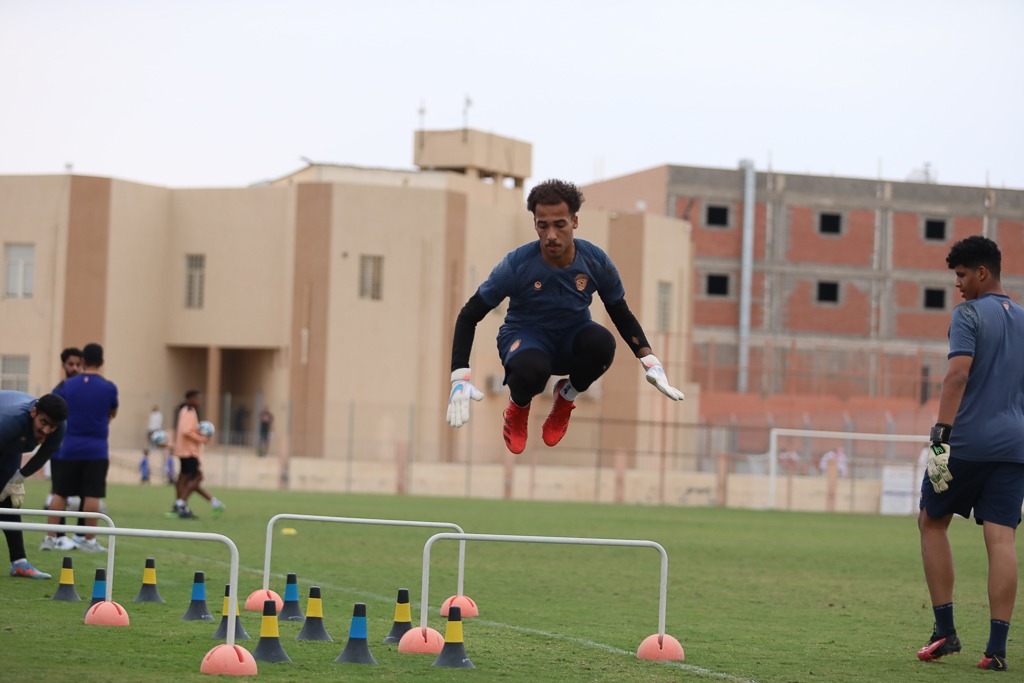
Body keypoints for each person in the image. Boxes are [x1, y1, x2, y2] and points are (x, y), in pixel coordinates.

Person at [445, 179, 684, 454]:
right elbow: (468, 316)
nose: (551, 235)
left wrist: (650, 361)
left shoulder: (596, 262)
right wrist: (459, 377)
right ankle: (519, 406)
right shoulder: (516, 265)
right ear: (534, 224)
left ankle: (565, 397)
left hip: (571, 338)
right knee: (532, 370)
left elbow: (620, 312)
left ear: (575, 221)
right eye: (542, 225)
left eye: (560, 224)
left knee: (602, 343)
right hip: (527, 338)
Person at [917, 236, 1024, 672]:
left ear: (982, 273)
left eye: (961, 275)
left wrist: (940, 436)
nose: (958, 285)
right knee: (1002, 538)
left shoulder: (967, 314)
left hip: (969, 441)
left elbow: (956, 376)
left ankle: (945, 631)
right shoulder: (1021, 316)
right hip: (1016, 444)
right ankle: (996, 649)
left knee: (931, 519)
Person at [46, 343, 118, 553]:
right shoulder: (109, 387)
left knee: (60, 493)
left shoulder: (68, 386)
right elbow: (112, 412)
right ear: (102, 362)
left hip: (69, 447)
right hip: (96, 449)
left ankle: (50, 537)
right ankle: (89, 541)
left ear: (83, 361)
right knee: (92, 495)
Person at [0, 391, 68, 579]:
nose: (46, 430)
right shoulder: (11, 421)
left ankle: (19, 563)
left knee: (8, 500)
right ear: (34, 412)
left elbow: (43, 455)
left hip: (10, 444)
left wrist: (18, 478)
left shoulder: (59, 427)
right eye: (43, 422)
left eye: (51, 426)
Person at [41, 346, 83, 552]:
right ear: (64, 365)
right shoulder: (59, 392)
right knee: (61, 492)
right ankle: (57, 536)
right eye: (70, 364)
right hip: (62, 449)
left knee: (86, 492)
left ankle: (81, 536)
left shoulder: (86, 390)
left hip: (81, 449)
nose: (74, 368)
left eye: (78, 364)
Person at [170, 390, 224, 519]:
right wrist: (202, 439)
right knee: (197, 478)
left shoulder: (185, 410)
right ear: (189, 399)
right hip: (189, 452)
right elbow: (186, 431)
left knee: (184, 480)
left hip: (185, 451)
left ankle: (213, 503)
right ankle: (180, 504)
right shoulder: (188, 411)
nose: (198, 401)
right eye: (196, 399)